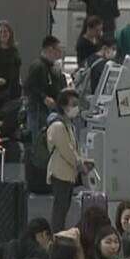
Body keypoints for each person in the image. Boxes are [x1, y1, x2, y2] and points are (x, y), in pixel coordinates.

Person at [46, 89, 87, 232]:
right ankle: (56, 236)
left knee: (63, 208)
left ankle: (59, 234)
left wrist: (82, 161)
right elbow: (67, 151)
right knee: (60, 210)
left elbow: (73, 149)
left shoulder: (69, 125)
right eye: (73, 104)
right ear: (64, 106)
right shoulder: (58, 126)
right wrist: (80, 164)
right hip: (60, 173)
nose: (76, 107)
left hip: (68, 173)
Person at [24, 37, 64, 146]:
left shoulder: (51, 68)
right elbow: (29, 86)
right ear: (50, 49)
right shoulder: (38, 66)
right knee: (39, 141)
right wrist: (44, 97)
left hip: (47, 110)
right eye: (58, 50)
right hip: (38, 110)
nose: (59, 54)